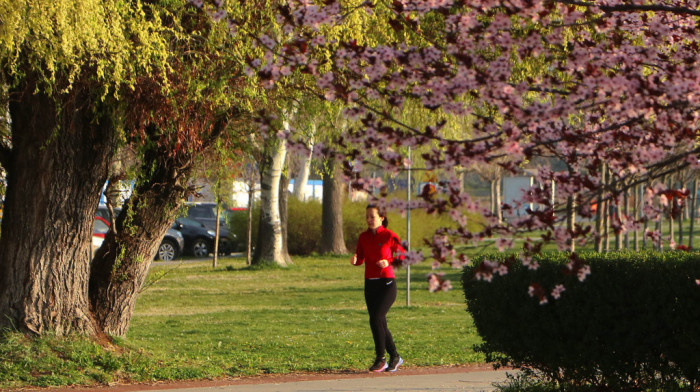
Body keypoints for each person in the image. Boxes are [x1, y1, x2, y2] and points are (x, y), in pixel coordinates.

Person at [351, 204, 405, 372]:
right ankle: (395, 356)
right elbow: (360, 258)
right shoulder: (363, 237)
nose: (369, 220)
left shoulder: (389, 235)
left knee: (376, 319)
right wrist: (355, 260)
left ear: (381, 218)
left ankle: (381, 359)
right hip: (370, 283)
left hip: (387, 283)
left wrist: (388, 261)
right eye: (367, 216)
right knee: (379, 321)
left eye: (372, 217)